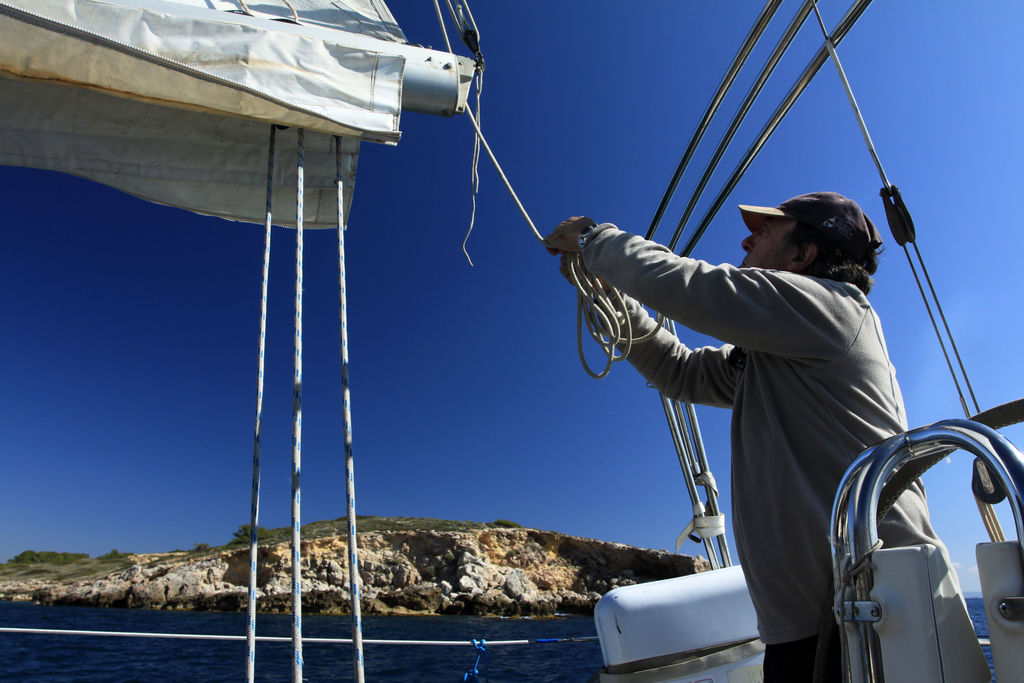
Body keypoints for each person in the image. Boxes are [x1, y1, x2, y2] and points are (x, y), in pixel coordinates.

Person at [543, 192, 950, 682]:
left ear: (803, 256)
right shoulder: (778, 351)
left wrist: (596, 240)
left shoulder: (835, 309)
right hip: (817, 624)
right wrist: (607, 296)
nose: (745, 239)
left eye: (765, 233)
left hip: (883, 613)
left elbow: (695, 289)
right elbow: (681, 371)